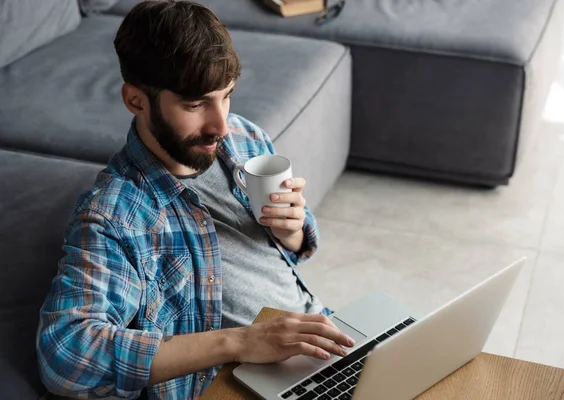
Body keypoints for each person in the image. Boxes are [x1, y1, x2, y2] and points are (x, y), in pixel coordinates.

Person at [35, 1, 354, 399]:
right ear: (136, 100)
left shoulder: (242, 137)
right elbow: (66, 358)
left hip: (319, 337)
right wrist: (239, 342)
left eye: (227, 96)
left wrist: (291, 231)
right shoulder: (115, 215)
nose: (220, 124)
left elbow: (290, 253)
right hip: (234, 384)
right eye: (196, 104)